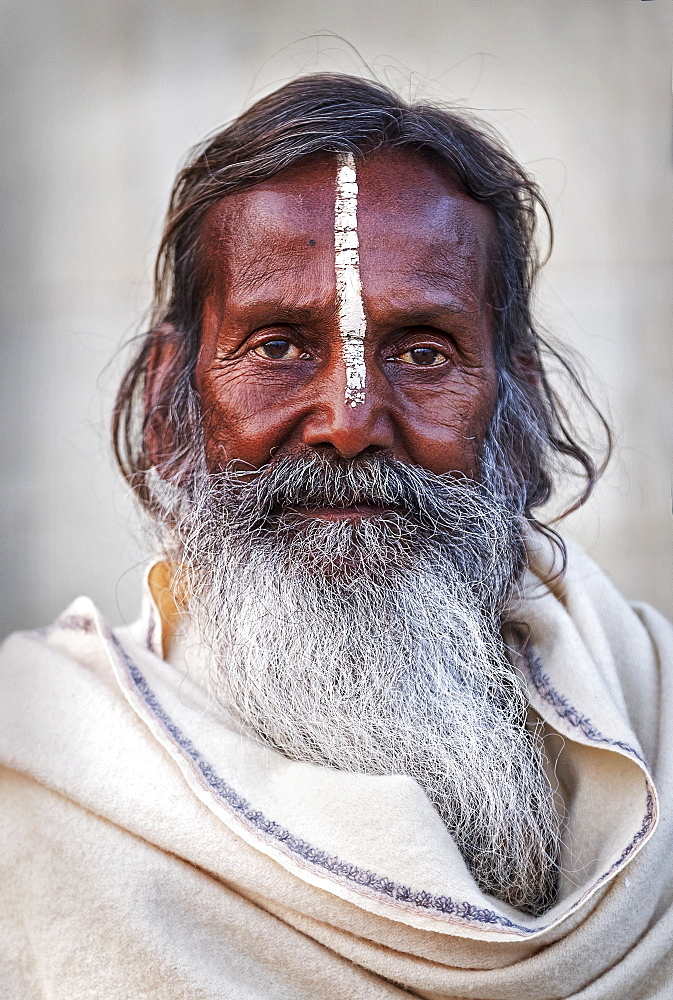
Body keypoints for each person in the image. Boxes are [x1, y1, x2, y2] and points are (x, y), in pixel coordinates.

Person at [1, 73, 671, 1000]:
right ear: (168, 402)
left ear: (514, 410)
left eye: (423, 353)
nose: (350, 421)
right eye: (277, 346)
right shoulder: (38, 779)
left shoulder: (658, 721)